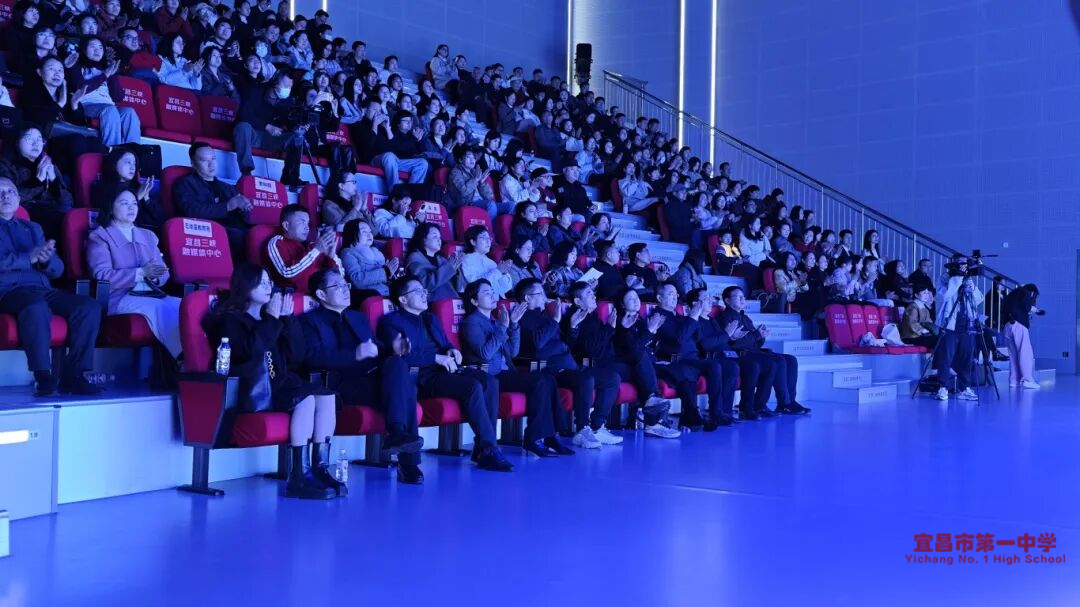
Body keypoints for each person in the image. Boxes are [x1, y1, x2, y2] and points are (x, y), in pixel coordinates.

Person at [203, 263, 340, 499]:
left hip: (280, 383)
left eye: (270, 283)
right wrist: (273, 319)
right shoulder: (230, 320)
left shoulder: (270, 318)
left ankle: (320, 468)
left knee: (326, 397)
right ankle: (299, 474)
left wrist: (288, 319)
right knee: (306, 400)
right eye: (262, 283)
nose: (269, 288)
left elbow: (297, 355)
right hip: (252, 387)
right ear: (245, 286)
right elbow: (250, 351)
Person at [295, 269, 424, 483]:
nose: (346, 290)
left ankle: (397, 433)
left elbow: (376, 348)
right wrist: (354, 355)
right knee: (406, 390)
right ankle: (408, 461)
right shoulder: (309, 321)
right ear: (321, 294)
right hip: (337, 384)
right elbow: (311, 357)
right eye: (338, 286)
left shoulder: (357, 317)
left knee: (397, 364)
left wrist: (392, 349)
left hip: (368, 379)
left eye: (346, 285)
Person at [377, 276, 514, 471]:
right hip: (419, 375)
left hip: (443, 370)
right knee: (471, 387)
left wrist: (451, 350)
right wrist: (436, 358)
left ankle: (484, 449)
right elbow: (401, 355)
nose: (424, 295)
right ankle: (490, 449)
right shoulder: (391, 322)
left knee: (489, 381)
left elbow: (444, 343)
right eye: (417, 291)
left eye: (424, 291)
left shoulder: (430, 318)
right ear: (403, 299)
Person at [0, 176, 104, 397]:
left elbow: (58, 270)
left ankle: (74, 374)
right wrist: (29, 258)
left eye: (10, 191)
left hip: (42, 289)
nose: (5, 196)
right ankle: (43, 375)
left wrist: (46, 260)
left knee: (88, 306)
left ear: (18, 198)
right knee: (36, 306)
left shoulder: (32, 228)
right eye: (0, 192)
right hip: (8, 291)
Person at [460, 279, 572, 457]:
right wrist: (503, 327)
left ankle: (550, 435)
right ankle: (533, 439)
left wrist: (513, 325)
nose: (492, 295)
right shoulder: (472, 322)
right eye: (486, 293)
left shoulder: (495, 320)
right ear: (474, 301)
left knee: (548, 379)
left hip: (506, 372)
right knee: (540, 381)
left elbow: (513, 352)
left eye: (492, 291)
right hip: (490, 375)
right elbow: (485, 353)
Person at [515, 279, 622, 448]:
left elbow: (567, 345)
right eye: (540, 293)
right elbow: (537, 344)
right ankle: (582, 429)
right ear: (528, 298)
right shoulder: (523, 317)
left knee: (611, 378)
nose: (545, 297)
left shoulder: (545, 317)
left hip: (569, 365)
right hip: (549, 368)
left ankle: (597, 426)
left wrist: (572, 327)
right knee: (585, 379)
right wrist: (555, 320)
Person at [86, 190, 182, 359]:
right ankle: (182, 358)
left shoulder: (149, 236)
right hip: (119, 297)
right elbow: (102, 274)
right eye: (124, 203)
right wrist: (140, 273)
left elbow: (163, 272)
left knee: (182, 305)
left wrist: (153, 276)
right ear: (110, 208)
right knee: (159, 308)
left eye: (134, 204)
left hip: (151, 293)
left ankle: (197, 355)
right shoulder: (100, 236)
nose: (131, 208)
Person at [653, 283, 738, 429]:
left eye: (676, 294)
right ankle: (710, 413)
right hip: (677, 360)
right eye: (670, 294)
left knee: (728, 366)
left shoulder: (680, 316)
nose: (675, 297)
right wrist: (692, 317)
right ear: (660, 298)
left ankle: (719, 411)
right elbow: (679, 339)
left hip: (694, 358)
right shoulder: (658, 317)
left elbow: (699, 338)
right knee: (710, 366)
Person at [720, 286, 810, 416]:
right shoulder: (725, 317)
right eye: (738, 297)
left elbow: (754, 341)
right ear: (727, 300)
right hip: (741, 354)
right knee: (777, 361)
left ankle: (790, 400)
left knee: (791, 359)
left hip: (754, 351)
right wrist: (756, 335)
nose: (742, 299)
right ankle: (778, 403)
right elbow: (735, 343)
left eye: (743, 297)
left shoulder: (745, 318)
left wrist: (761, 336)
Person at [174, 142, 253, 258]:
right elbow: (191, 211)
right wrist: (228, 206)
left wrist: (244, 206)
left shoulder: (227, 188)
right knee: (240, 238)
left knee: (256, 235)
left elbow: (243, 216)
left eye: (213, 158)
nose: (211, 164)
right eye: (204, 160)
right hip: (206, 233)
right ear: (193, 164)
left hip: (234, 231)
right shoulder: (184, 184)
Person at [0, 127, 73, 240]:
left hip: (52, 207)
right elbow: (9, 198)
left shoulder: (46, 161)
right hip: (25, 212)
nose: (36, 144)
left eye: (40, 140)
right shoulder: (6, 165)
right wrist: (37, 182)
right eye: (29, 139)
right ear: (17, 142)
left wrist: (54, 181)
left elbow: (68, 202)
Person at [932, 255, 983, 402]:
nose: (963, 266)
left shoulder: (968, 279)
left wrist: (970, 285)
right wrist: (957, 279)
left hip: (967, 325)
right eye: (960, 264)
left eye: (965, 264)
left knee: (967, 358)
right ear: (954, 264)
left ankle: (964, 388)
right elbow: (945, 296)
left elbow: (978, 299)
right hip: (949, 325)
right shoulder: (945, 279)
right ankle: (942, 387)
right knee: (946, 357)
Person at [267, 204, 339, 293]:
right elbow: (287, 274)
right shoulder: (277, 242)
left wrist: (330, 256)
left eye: (307, 223)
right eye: (302, 222)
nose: (307, 228)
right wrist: (316, 250)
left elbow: (335, 277)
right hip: (295, 297)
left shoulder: (311, 246)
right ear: (286, 225)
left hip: (321, 294)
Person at [90, 148, 164, 231]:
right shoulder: (100, 187)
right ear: (114, 163)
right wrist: (137, 197)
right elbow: (107, 217)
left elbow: (161, 217)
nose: (133, 167)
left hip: (144, 232)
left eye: (134, 164)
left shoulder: (137, 186)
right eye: (128, 162)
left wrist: (146, 198)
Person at [370, 111, 430, 192]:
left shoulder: (411, 135)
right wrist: (414, 139)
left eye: (411, 121)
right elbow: (397, 147)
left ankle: (411, 193)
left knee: (423, 163)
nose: (409, 123)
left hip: (399, 162)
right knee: (390, 156)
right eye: (406, 121)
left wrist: (419, 141)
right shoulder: (391, 131)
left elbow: (422, 153)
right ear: (398, 123)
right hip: (384, 159)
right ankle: (395, 193)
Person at [405, 223, 461, 301]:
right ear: (423, 239)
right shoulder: (415, 258)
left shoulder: (442, 259)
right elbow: (424, 285)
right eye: (435, 236)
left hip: (451, 301)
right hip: (433, 302)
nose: (439, 240)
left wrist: (456, 270)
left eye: (440, 237)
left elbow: (456, 287)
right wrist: (448, 268)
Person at [340, 219, 395, 298]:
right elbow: (357, 280)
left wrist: (390, 275)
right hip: (370, 296)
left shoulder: (376, 252)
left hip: (387, 292)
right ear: (352, 233)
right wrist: (385, 272)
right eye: (364, 232)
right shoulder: (348, 253)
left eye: (370, 232)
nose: (369, 235)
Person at [1002, 283, 1043, 390]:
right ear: (1033, 292)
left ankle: (1014, 381)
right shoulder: (1025, 292)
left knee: (1013, 356)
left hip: (1007, 326)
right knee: (1025, 353)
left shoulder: (1012, 294)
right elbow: (1026, 306)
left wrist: (1035, 310)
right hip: (1019, 325)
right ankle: (1027, 380)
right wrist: (1035, 309)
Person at [460, 225, 513, 298]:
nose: (488, 241)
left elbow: (505, 288)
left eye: (489, 238)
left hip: (496, 300)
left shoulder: (491, 262)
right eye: (483, 238)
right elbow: (475, 285)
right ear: (473, 242)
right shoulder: (467, 259)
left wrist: (504, 272)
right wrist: (498, 271)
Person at [446, 146, 497, 217]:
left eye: (474, 158)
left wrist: (481, 183)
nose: (472, 160)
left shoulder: (475, 172)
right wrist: (475, 180)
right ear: (460, 160)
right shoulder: (456, 172)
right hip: (468, 203)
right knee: (491, 205)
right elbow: (462, 192)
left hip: (481, 201)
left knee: (510, 206)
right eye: (468, 157)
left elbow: (489, 196)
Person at [901, 285, 938, 349]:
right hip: (910, 336)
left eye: (927, 293)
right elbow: (912, 323)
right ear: (916, 295)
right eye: (924, 293)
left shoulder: (924, 307)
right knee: (936, 340)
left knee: (940, 338)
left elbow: (928, 322)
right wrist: (923, 331)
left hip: (919, 335)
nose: (927, 295)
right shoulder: (912, 307)